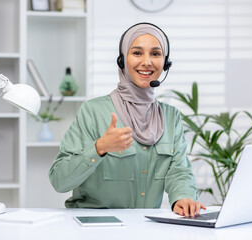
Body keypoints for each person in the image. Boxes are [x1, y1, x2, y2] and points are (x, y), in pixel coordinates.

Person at [49, 22, 206, 217]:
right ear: (122, 60)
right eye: (137, 53)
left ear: (165, 63)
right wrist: (99, 148)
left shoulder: (171, 116)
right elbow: (59, 180)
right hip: (94, 227)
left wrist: (182, 197)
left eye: (156, 54)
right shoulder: (93, 111)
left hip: (144, 227)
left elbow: (180, 172)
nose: (147, 62)